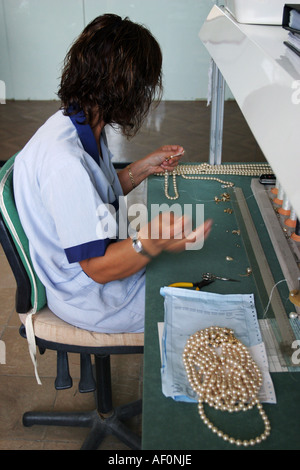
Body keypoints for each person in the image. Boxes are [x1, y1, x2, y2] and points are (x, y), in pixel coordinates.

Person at [13, 14, 212, 334]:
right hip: (93, 297)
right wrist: (150, 241)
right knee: (206, 304)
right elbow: (98, 269)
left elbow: (92, 197)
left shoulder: (81, 122)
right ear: (127, 88)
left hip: (95, 277)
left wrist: (145, 166)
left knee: (197, 271)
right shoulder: (64, 162)